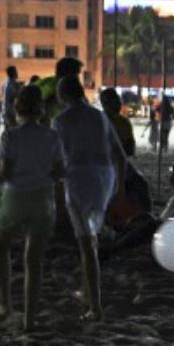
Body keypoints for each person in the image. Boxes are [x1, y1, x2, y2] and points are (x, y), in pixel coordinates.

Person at [0, 84, 64, 331]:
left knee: (1, 247)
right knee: (34, 260)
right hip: (42, 197)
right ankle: (29, 318)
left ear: (17, 108)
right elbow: (59, 171)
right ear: (41, 110)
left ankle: (5, 302)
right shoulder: (52, 137)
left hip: (15, 196)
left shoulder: (10, 136)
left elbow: (4, 173)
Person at [51, 72, 125, 324]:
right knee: (91, 239)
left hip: (79, 179)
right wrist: (119, 189)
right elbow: (120, 156)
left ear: (62, 96)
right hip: (105, 178)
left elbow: (57, 161)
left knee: (86, 244)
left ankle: (95, 306)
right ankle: (85, 290)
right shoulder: (100, 117)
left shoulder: (60, 121)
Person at [99, 86, 138, 159]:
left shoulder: (124, 122)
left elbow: (130, 148)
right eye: (116, 100)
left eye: (118, 99)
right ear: (105, 104)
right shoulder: (98, 122)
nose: (119, 103)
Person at [1, 65, 23, 129]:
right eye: (16, 71)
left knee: (8, 131)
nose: (17, 73)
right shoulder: (12, 84)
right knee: (14, 130)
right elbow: (16, 96)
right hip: (11, 111)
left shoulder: (4, 83)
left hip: (5, 110)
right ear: (13, 73)